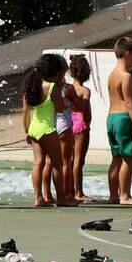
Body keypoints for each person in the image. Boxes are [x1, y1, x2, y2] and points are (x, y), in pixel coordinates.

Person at [21, 54, 72, 207]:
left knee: (38, 163)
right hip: (48, 129)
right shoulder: (51, 87)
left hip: (34, 128)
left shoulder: (31, 86)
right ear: (55, 72)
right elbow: (61, 108)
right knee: (57, 163)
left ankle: (38, 198)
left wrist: (27, 131)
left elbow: (25, 111)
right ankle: (61, 198)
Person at [106, 37, 132, 205]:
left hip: (112, 118)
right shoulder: (126, 76)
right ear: (128, 53)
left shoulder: (112, 74)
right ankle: (124, 196)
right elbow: (130, 103)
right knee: (128, 158)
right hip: (123, 118)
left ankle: (113, 195)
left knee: (116, 158)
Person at [68, 55, 95, 202]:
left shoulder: (67, 88)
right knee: (79, 160)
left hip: (69, 124)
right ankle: (78, 192)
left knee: (70, 159)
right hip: (81, 124)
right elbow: (83, 109)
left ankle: (70, 190)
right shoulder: (84, 91)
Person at [53, 53, 78, 204]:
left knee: (50, 162)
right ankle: (68, 194)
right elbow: (78, 107)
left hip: (50, 124)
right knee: (66, 162)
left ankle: (47, 194)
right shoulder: (67, 88)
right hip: (64, 124)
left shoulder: (46, 87)